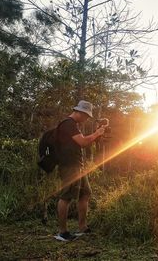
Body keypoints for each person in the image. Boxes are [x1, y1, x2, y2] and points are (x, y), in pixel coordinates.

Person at [54, 100, 105, 242]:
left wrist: (96, 136)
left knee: (85, 193)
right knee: (66, 196)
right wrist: (97, 133)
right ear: (79, 112)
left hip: (78, 165)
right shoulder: (68, 124)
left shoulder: (73, 126)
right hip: (69, 166)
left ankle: (82, 227)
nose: (86, 119)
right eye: (86, 116)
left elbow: (80, 144)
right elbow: (83, 142)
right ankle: (62, 232)